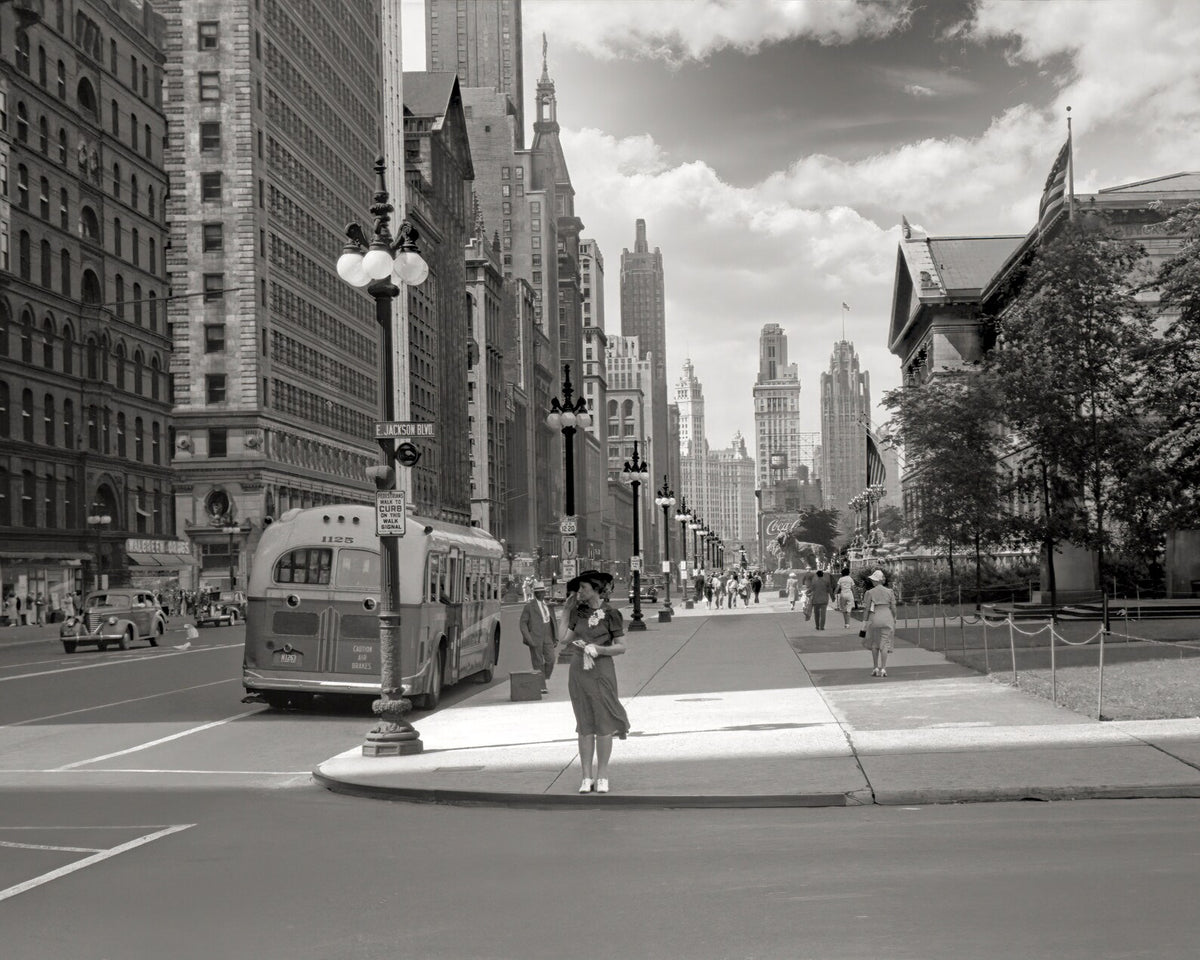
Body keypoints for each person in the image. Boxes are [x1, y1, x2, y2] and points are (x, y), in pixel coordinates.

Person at [563, 570, 629, 794]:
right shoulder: (577, 613)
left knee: (603, 723)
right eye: (579, 588)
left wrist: (599, 649)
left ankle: (602, 775)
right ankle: (585, 777)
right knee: (584, 725)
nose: (579, 592)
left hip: (601, 670)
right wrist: (565, 611)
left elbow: (621, 647)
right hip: (579, 670)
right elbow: (563, 639)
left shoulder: (611, 614)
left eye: (583, 588)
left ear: (596, 590)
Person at [519, 580, 559, 694]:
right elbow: (522, 623)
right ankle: (542, 685)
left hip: (548, 636)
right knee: (538, 662)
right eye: (539, 592)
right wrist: (528, 638)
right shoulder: (529, 606)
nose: (542, 594)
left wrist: (555, 637)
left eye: (543, 592)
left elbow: (553, 622)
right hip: (535, 638)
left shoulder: (548, 605)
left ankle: (543, 677)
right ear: (535, 593)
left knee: (551, 659)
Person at [863, 569, 898, 677]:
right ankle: (883, 668)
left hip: (875, 617)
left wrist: (864, 622)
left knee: (874, 644)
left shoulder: (869, 593)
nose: (872, 581)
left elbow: (867, 609)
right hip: (887, 617)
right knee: (885, 644)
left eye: (873, 580)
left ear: (876, 581)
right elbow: (893, 607)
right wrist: (895, 617)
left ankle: (875, 667)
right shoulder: (889, 592)